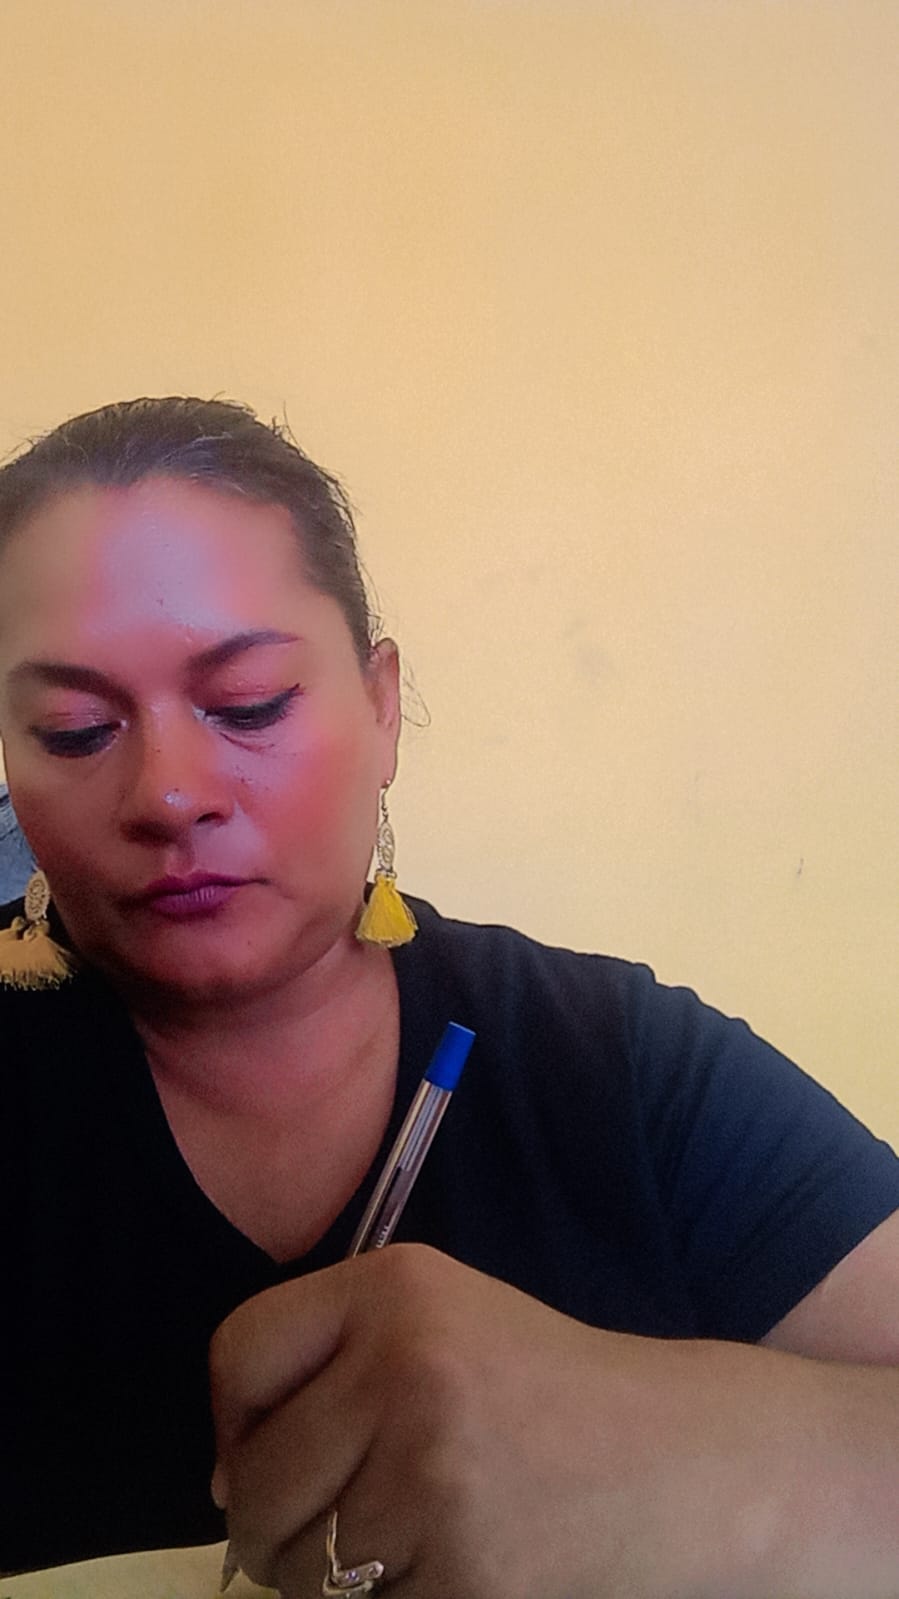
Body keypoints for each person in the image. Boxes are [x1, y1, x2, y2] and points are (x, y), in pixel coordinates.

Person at [0, 397, 897, 1597]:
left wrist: (711, 1461)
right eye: (72, 729)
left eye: (248, 703)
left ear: (380, 707)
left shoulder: (622, 1067)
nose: (168, 793)